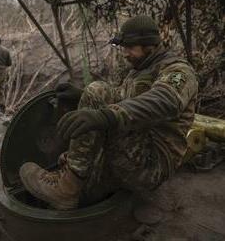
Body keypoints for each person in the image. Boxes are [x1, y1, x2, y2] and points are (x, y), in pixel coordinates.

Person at [19, 15, 199, 210]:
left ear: (150, 46)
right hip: (133, 149)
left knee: (97, 90)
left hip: (151, 163)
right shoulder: (140, 69)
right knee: (85, 190)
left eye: (130, 47)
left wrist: (104, 115)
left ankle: (67, 188)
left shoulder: (178, 71)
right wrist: (81, 95)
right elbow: (120, 96)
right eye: (123, 47)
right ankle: (72, 181)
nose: (125, 53)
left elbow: (165, 100)